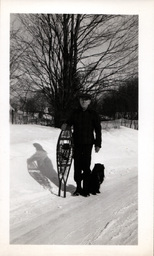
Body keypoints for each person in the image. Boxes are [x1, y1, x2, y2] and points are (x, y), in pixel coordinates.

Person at [61, 93, 102, 197]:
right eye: (81, 100)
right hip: (77, 143)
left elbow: (98, 130)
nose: (83, 102)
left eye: (86, 100)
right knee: (77, 166)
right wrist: (65, 124)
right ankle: (78, 188)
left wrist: (98, 144)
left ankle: (86, 188)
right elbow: (68, 123)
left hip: (88, 144)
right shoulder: (75, 113)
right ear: (79, 101)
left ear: (89, 102)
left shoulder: (93, 114)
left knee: (86, 166)